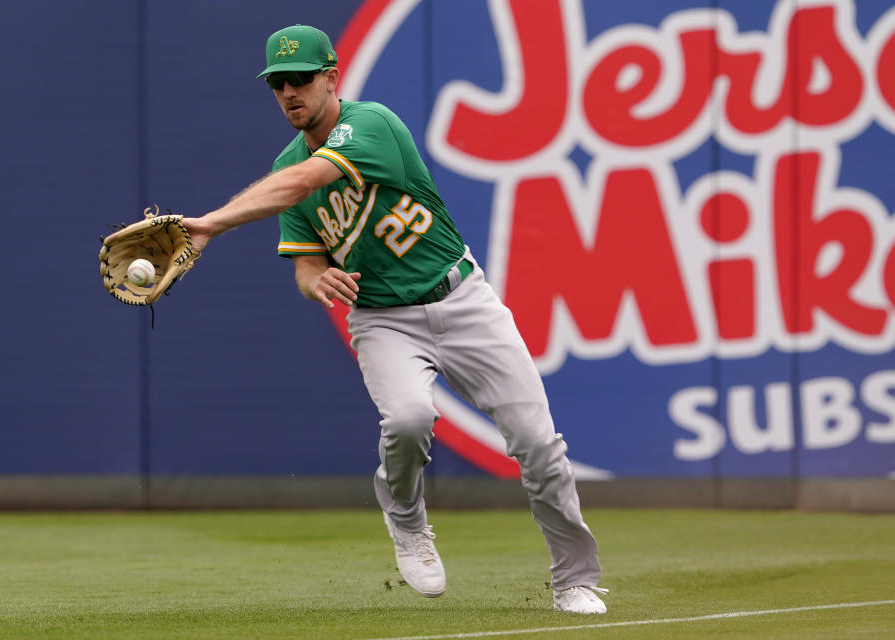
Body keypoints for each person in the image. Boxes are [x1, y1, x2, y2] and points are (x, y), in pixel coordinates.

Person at [180, 24, 608, 615]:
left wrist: (210, 224)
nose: (289, 93)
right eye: (278, 83)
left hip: (462, 300)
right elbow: (305, 263)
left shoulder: (370, 125)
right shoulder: (283, 170)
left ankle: (575, 580)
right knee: (408, 419)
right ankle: (407, 520)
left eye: (301, 79)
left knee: (538, 444)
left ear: (332, 78)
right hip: (383, 319)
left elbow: (308, 180)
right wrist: (314, 281)